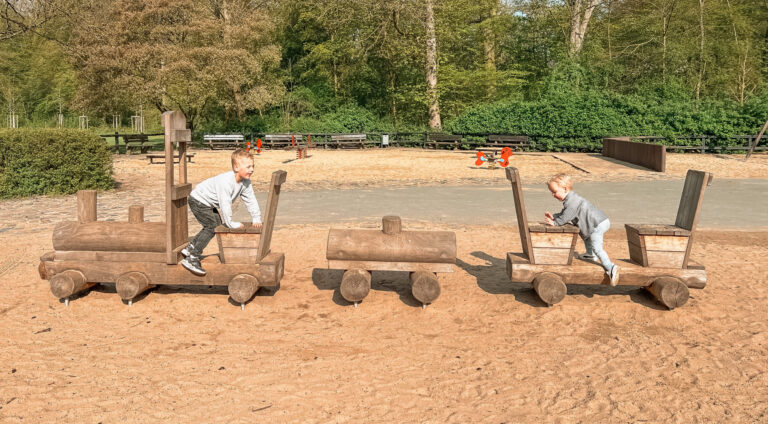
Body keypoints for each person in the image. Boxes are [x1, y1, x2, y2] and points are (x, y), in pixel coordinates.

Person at [181, 149, 263, 276]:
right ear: (236, 167)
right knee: (212, 227)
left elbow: (251, 199)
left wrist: (256, 217)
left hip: (207, 203)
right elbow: (225, 204)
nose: (251, 169)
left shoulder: (245, 183)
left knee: (215, 224)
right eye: (248, 167)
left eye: (253, 166)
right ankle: (192, 258)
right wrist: (230, 223)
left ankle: (191, 247)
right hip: (198, 200)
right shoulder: (226, 182)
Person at [543, 173, 619, 286]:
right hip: (596, 222)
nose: (553, 195)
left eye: (555, 192)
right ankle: (590, 254)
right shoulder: (571, 199)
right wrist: (555, 216)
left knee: (597, 247)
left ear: (564, 189)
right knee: (587, 237)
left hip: (597, 224)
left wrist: (555, 223)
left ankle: (611, 267)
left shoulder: (572, 202)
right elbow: (565, 213)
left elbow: (566, 216)